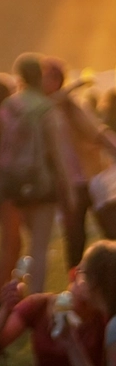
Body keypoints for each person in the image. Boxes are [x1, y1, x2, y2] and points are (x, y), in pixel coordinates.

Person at [0, 54, 75, 297]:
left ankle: (7, 293)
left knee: (13, 241)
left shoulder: (9, 106)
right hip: (41, 181)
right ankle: (35, 298)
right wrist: (68, 188)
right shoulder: (45, 107)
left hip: (12, 181)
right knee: (39, 246)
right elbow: (57, 153)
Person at [0, 239, 116, 365]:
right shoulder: (39, 305)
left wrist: (71, 343)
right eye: (77, 271)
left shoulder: (108, 322)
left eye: (84, 273)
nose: (76, 276)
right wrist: (5, 309)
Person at [45, 58, 116, 270]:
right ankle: (75, 285)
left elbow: (96, 133)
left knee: (110, 229)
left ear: (56, 80)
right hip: (68, 182)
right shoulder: (45, 108)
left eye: (45, 77)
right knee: (74, 237)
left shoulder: (71, 105)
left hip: (90, 177)